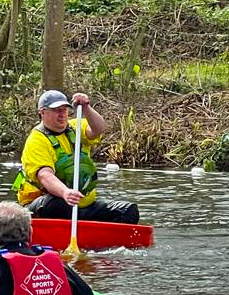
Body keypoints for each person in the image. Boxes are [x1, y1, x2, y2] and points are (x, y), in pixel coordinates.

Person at [13, 89, 139, 224]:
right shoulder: (36, 140)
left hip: (82, 205)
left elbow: (98, 129)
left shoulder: (75, 126)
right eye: (56, 110)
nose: (62, 115)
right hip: (44, 204)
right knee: (58, 204)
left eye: (64, 110)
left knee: (128, 211)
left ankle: (103, 238)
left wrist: (86, 107)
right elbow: (45, 176)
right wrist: (65, 193)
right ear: (42, 113)